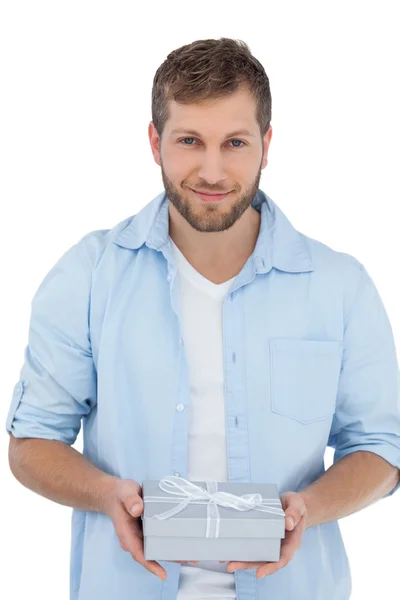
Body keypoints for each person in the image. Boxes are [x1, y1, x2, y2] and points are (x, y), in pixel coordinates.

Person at [6, 37, 400, 600]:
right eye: (189, 140)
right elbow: (31, 442)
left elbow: (383, 450)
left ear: (266, 144)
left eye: (234, 143)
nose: (212, 171)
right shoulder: (88, 276)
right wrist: (105, 494)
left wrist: (308, 509)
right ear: (154, 141)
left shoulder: (341, 286)